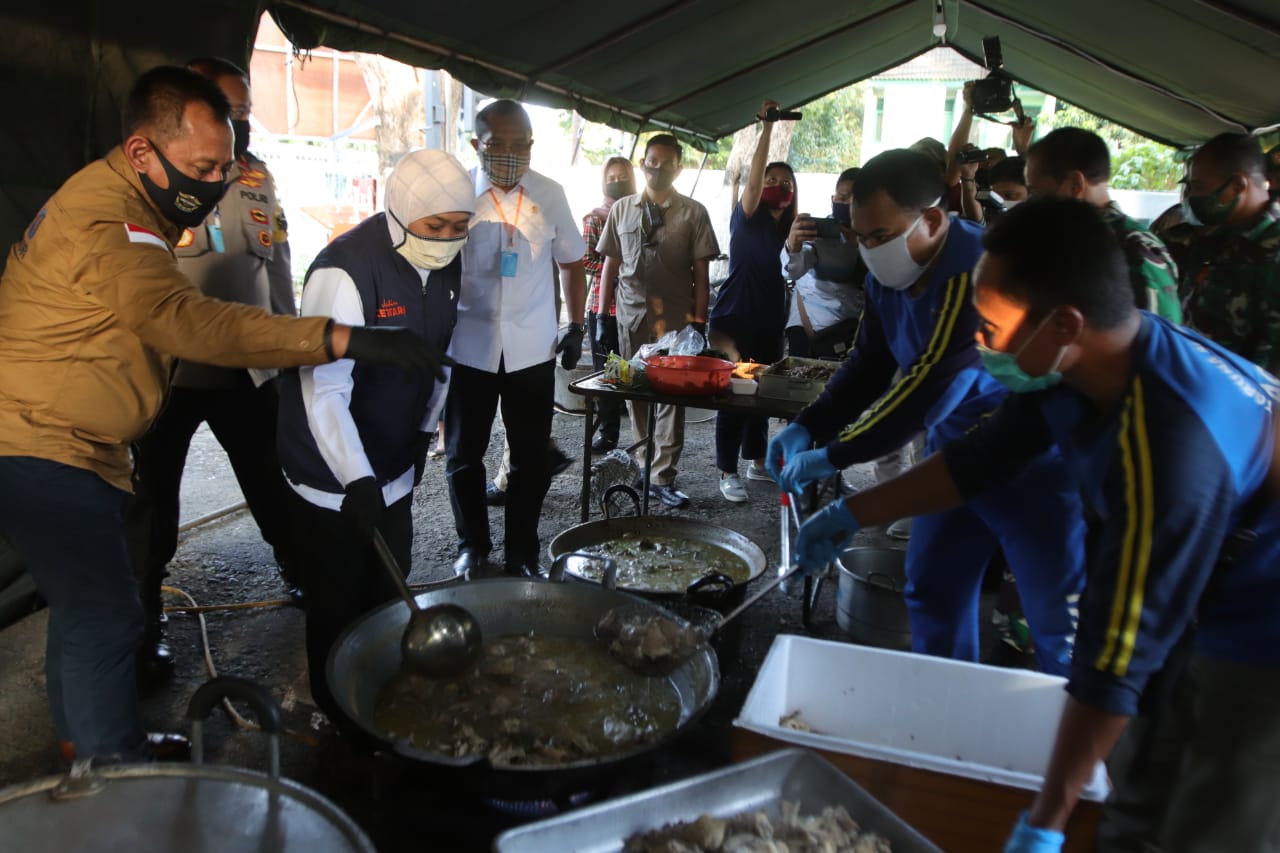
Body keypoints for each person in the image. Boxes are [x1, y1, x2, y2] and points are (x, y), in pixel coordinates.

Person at [793, 198, 1280, 853]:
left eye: (990, 325)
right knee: (1138, 765)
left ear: (1063, 323)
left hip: (1263, 595)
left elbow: (1114, 658)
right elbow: (978, 460)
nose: (980, 340)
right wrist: (851, 511)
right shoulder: (1079, 362)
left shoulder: (1168, 444)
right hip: (1209, 548)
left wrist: (1045, 818)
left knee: (1220, 793)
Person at [0, 66, 450, 763]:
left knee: (86, 605)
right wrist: (336, 336)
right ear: (144, 151)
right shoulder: (109, 222)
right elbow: (185, 320)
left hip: (69, 433)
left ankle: (84, 741)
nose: (215, 180)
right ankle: (107, 776)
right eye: (202, 166)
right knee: (107, 610)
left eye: (225, 162)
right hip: (43, 439)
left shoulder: (130, 198)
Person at [765, 149, 1085, 676]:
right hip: (952, 450)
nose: (868, 251)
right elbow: (869, 362)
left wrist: (835, 455)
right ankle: (939, 708)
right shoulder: (886, 274)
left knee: (1052, 616)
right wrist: (808, 425)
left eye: (880, 237)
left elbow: (926, 387)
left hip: (1028, 458)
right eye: (860, 237)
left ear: (933, 219)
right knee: (933, 587)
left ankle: (1058, 736)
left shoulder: (977, 269)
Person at [276, 148, 470, 724]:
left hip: (392, 461)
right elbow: (323, 390)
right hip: (331, 474)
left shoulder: (448, 263)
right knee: (336, 600)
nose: (448, 238)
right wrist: (356, 479)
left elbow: (441, 356)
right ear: (401, 212)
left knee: (389, 588)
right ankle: (336, 715)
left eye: (460, 227)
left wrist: (421, 430)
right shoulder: (346, 270)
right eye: (436, 226)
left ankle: (384, 704)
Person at [127, 57, 301, 682]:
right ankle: (144, 628)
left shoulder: (256, 176)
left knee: (273, 483)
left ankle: (301, 573)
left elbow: (275, 264)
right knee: (152, 508)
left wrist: (289, 346)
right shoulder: (150, 179)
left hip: (247, 369)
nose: (241, 124)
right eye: (230, 112)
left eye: (246, 111)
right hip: (168, 374)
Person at [446, 99, 587, 579]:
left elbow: (571, 261)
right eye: (496, 145)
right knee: (464, 455)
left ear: (531, 145)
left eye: (519, 145)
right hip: (468, 344)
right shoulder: (457, 191)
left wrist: (577, 324)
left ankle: (522, 553)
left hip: (532, 347)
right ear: (475, 145)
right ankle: (473, 546)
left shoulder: (550, 193)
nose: (509, 154)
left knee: (529, 458)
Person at [597, 134, 720, 508]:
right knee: (634, 390)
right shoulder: (622, 210)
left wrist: (699, 323)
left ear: (678, 167)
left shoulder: (693, 212)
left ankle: (663, 476)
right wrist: (603, 315)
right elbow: (609, 266)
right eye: (653, 160)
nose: (658, 168)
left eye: (667, 162)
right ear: (643, 163)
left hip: (677, 323)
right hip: (631, 316)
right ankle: (641, 466)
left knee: (670, 397)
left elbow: (702, 272)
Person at [709, 99, 798, 503]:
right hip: (736, 315)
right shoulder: (746, 217)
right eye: (772, 178)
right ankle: (727, 470)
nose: (780, 184)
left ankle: (757, 462)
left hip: (769, 319)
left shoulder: (792, 229)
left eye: (787, 181)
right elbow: (753, 178)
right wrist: (766, 130)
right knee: (734, 393)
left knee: (761, 389)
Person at [1026, 127, 1181, 322]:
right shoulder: (1074, 238)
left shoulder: (1135, 250)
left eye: (1037, 194)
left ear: (1075, 184)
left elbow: (1156, 343)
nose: (1032, 204)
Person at [1159, 133, 1280, 372]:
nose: (1191, 196)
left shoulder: (1272, 254)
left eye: (1199, 187)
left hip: (1245, 403)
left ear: (1237, 186)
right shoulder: (1206, 239)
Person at [782, 167, 866, 359]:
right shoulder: (817, 233)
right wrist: (792, 246)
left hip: (848, 334)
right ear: (833, 199)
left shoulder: (874, 239)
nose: (849, 204)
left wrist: (859, 245)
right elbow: (791, 271)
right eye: (843, 198)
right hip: (805, 328)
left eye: (856, 200)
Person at [583, 156, 636, 453]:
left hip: (636, 309)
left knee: (635, 372)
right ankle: (608, 434)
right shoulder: (595, 218)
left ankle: (643, 437)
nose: (618, 181)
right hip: (604, 310)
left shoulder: (642, 213)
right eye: (612, 176)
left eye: (623, 176)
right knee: (607, 374)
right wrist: (616, 267)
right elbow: (585, 260)